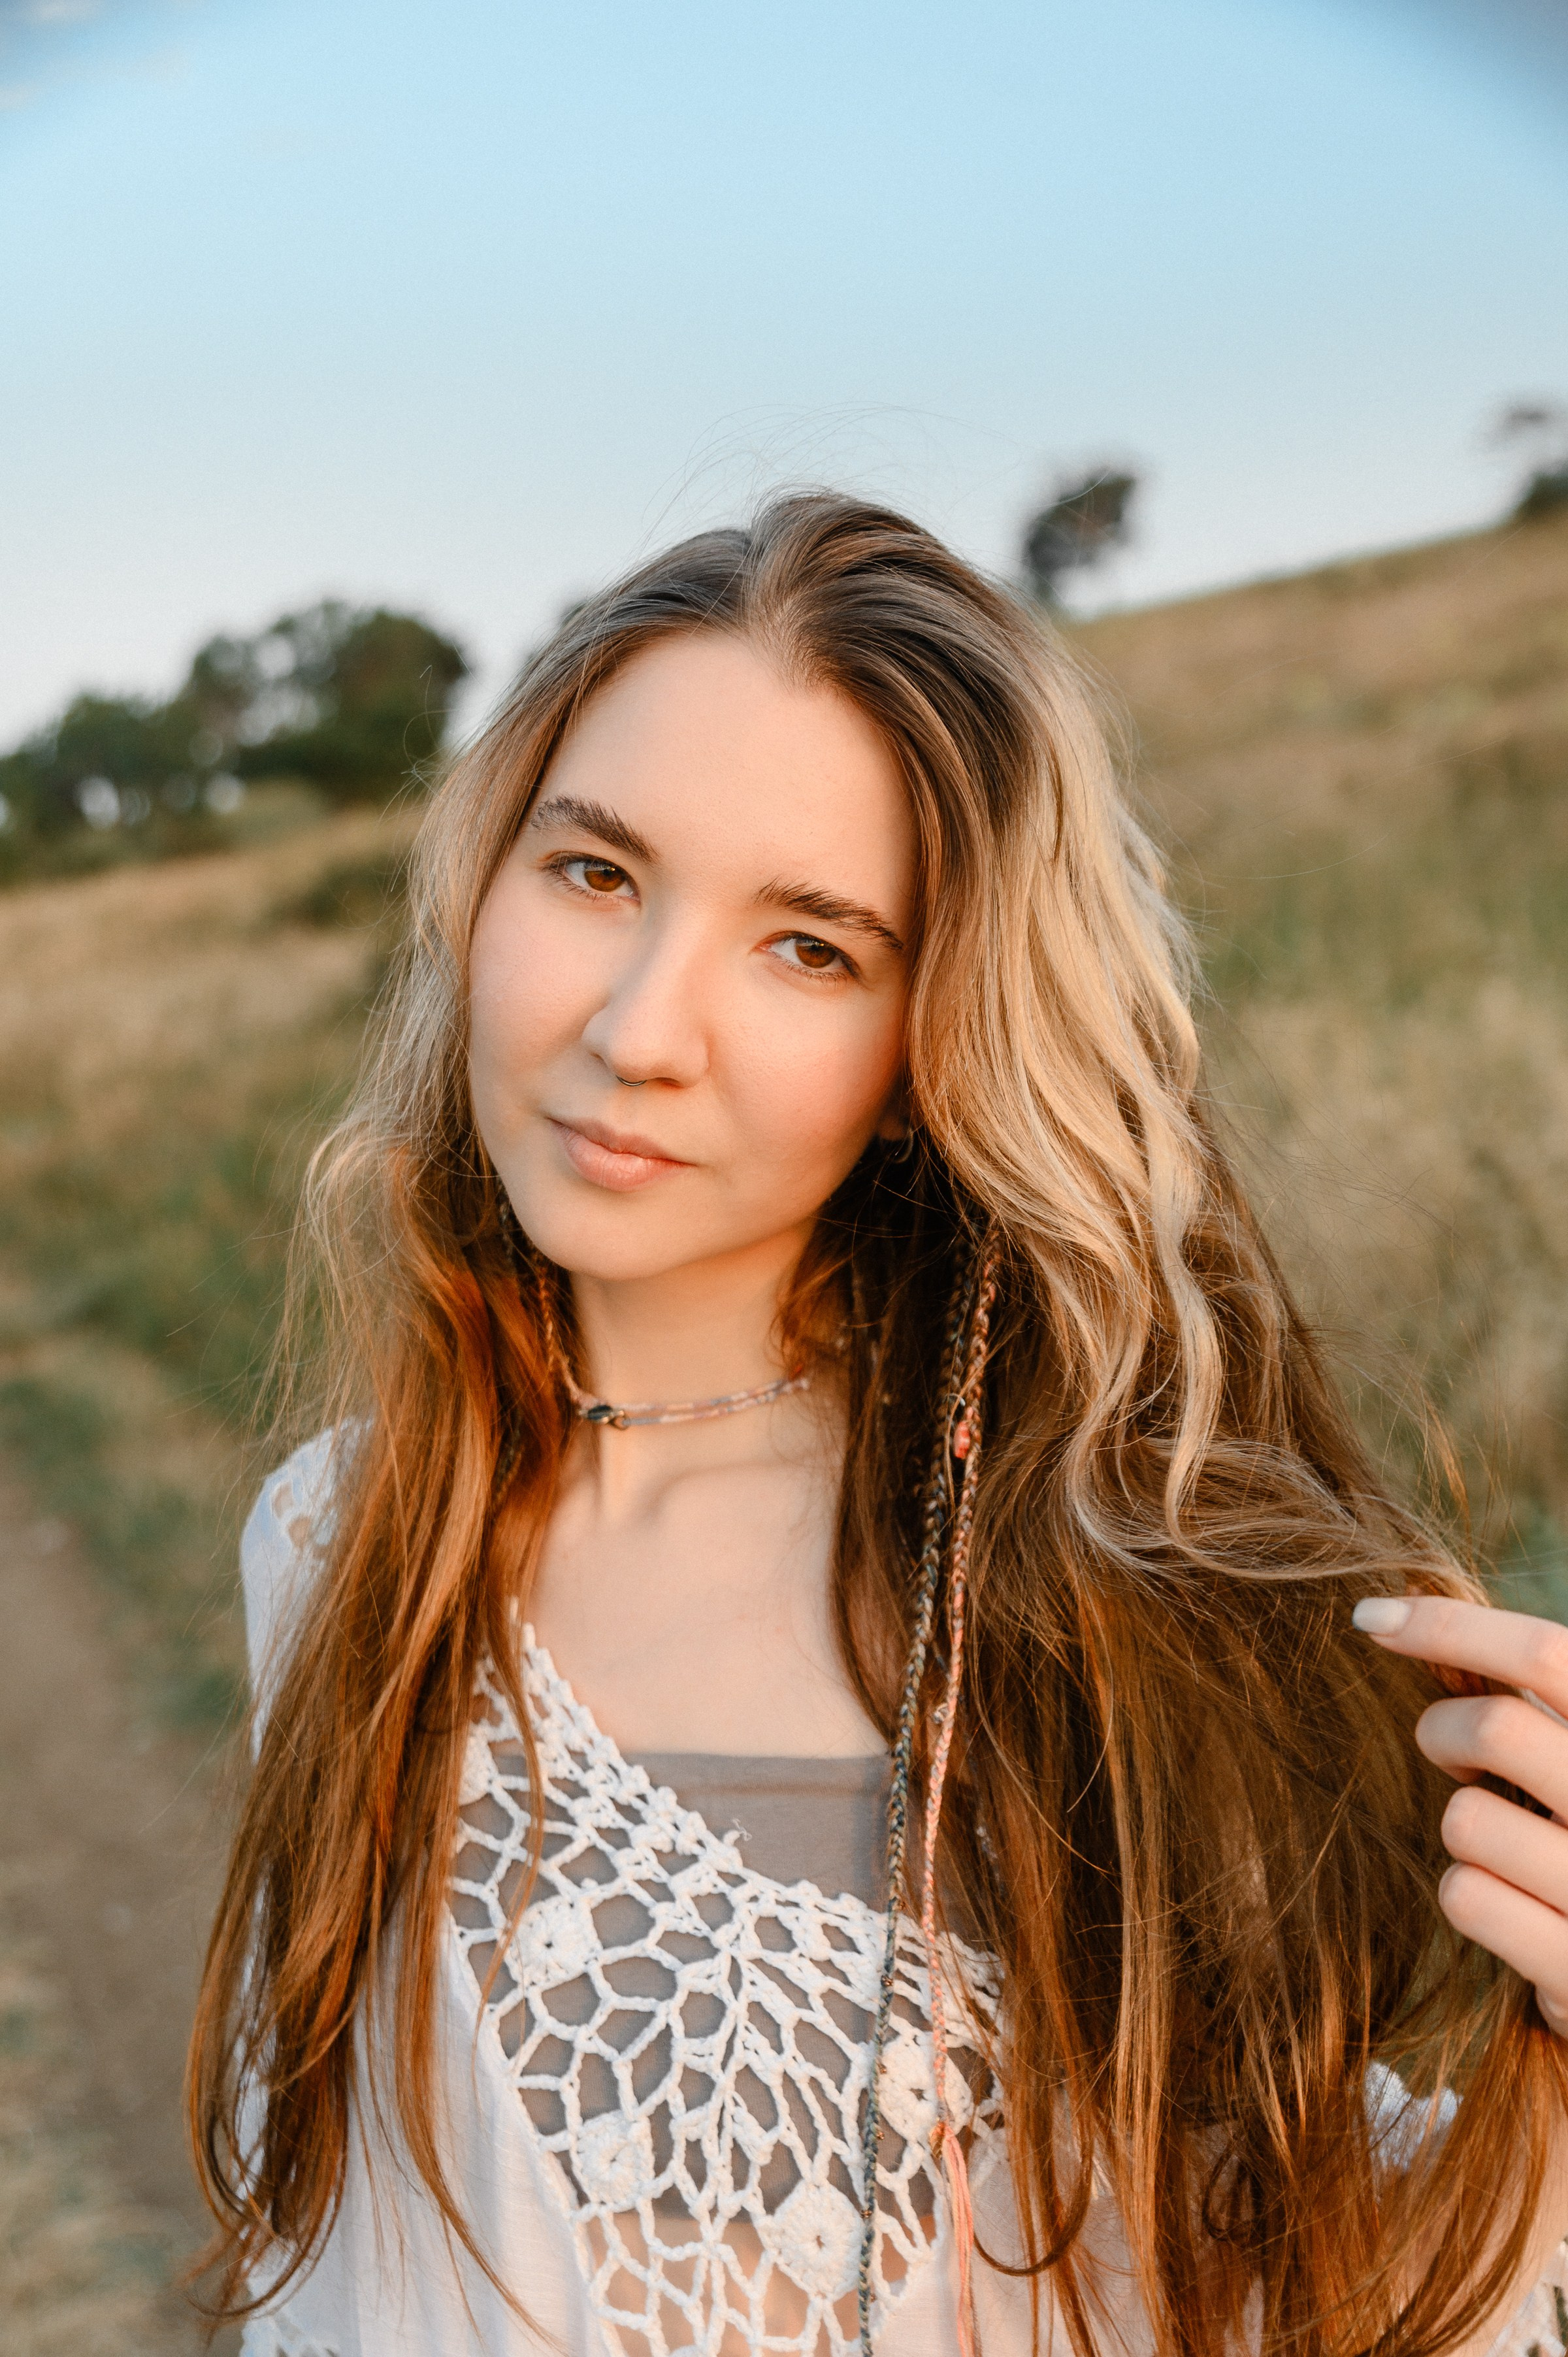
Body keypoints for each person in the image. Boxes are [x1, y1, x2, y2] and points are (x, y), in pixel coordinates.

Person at [189, 495, 1568, 2356]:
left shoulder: (1115, 1581)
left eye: (810, 949)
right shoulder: (331, 1531)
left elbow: (1290, 2273)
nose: (638, 1027)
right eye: (594, 872)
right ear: (481, 878)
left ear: (938, 1050)